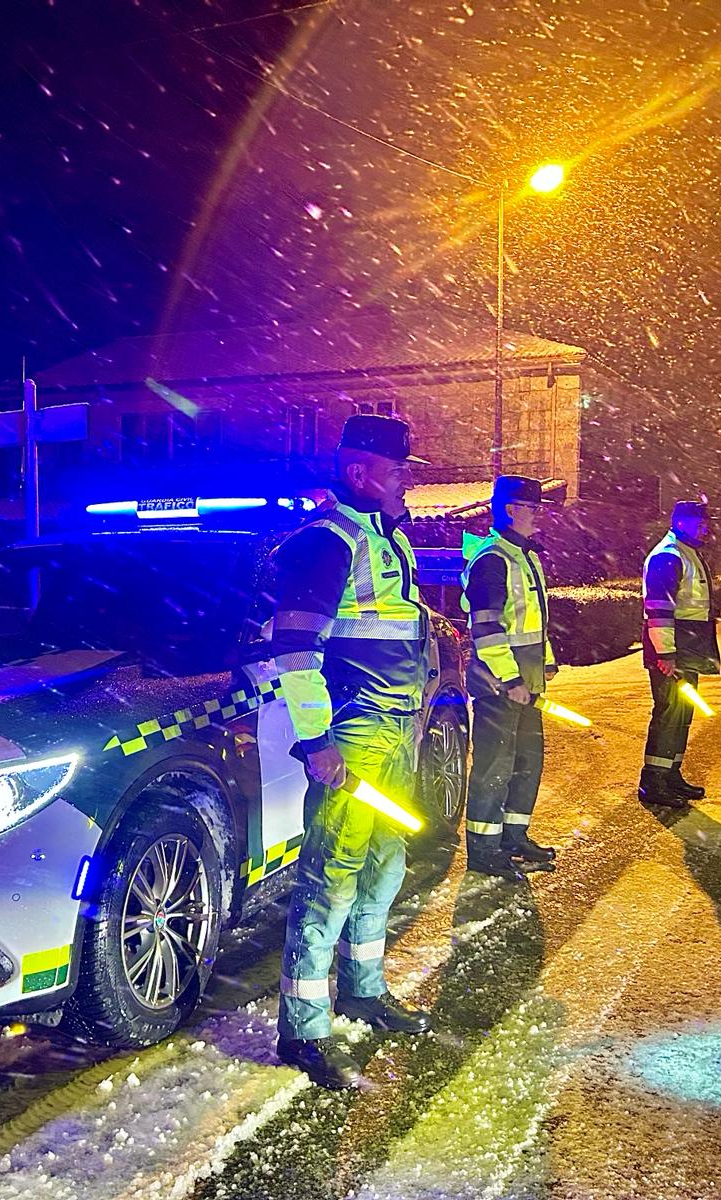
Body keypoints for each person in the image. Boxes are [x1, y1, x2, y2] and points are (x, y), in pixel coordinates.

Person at [270, 412, 433, 1089]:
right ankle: (303, 1031)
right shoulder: (327, 542)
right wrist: (318, 741)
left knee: (383, 868)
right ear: (361, 471)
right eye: (397, 473)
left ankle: (363, 990)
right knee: (331, 877)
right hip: (356, 732)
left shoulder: (386, 539)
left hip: (394, 730)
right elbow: (294, 647)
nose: (406, 486)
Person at [458, 475, 561, 880]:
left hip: (526, 683)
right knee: (494, 766)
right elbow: (486, 628)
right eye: (532, 508)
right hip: (501, 685)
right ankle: (484, 850)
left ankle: (513, 837)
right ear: (510, 510)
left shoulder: (523, 555)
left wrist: (545, 662)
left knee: (526, 763)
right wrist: (509, 679)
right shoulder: (492, 559)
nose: (538, 515)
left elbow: (534, 620)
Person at [639, 499, 721, 807]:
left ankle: (671, 774)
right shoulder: (668, 556)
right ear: (681, 523)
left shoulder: (687, 554)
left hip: (686, 651)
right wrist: (666, 654)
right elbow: (658, 610)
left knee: (682, 713)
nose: (706, 529)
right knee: (668, 714)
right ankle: (653, 782)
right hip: (673, 654)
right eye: (700, 524)